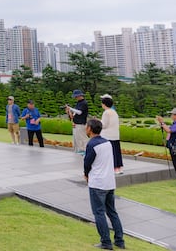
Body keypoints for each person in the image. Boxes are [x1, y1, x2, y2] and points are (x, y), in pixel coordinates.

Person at [84, 118, 125, 250]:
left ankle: (106, 242)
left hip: (97, 183)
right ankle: (119, 240)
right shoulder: (107, 143)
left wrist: (86, 174)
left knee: (99, 213)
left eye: (86, 126)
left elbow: (87, 163)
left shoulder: (92, 144)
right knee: (112, 212)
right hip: (109, 182)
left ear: (90, 129)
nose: (86, 128)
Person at [100, 95, 123, 174]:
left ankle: (114, 168)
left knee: (110, 153)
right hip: (115, 135)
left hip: (108, 136)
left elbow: (104, 125)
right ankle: (119, 168)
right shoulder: (114, 111)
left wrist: (98, 123)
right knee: (116, 152)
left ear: (104, 104)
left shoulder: (106, 112)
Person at [66, 89, 89, 154]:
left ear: (79, 95)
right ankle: (77, 151)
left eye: (76, 96)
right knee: (76, 139)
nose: (75, 98)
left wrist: (70, 108)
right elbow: (75, 114)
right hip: (76, 123)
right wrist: (69, 112)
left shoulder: (84, 103)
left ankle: (85, 151)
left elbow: (79, 112)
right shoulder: (78, 103)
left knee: (82, 138)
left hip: (81, 124)